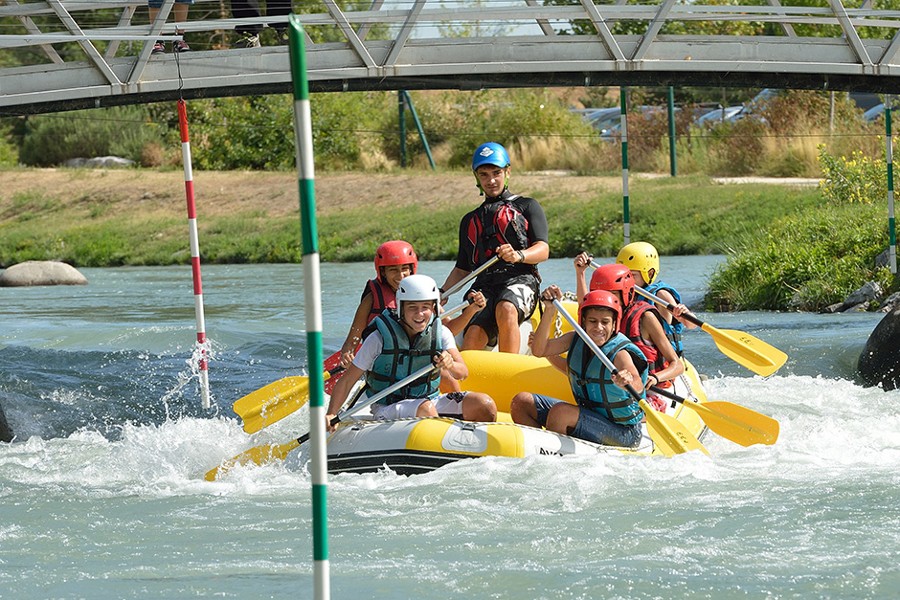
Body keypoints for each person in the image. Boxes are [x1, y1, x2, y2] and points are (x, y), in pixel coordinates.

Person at [326, 274, 496, 430]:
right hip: (387, 407)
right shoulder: (379, 338)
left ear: (434, 308)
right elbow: (348, 380)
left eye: (425, 307)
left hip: (430, 400)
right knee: (425, 409)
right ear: (401, 308)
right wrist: (332, 413)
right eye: (412, 307)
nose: (419, 314)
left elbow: (462, 373)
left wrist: (450, 364)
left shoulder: (442, 332)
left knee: (484, 404)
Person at [440, 142, 549, 353]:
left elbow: (543, 249)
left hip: (521, 279)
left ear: (507, 172)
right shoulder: (469, 220)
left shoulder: (528, 206)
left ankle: (509, 374)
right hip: (485, 285)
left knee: (506, 308)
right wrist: (443, 292)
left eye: (496, 173)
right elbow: (463, 269)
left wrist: (518, 255)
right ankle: (469, 382)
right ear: (476, 178)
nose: (491, 180)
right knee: (472, 334)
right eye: (484, 175)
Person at [510, 286, 648, 448]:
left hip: (624, 432)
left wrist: (627, 381)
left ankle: (551, 455)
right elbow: (540, 351)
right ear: (583, 321)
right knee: (521, 402)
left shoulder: (619, 353)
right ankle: (538, 449)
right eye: (592, 321)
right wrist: (549, 310)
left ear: (614, 324)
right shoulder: (576, 339)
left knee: (561, 412)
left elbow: (638, 384)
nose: (598, 327)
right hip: (590, 418)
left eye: (605, 322)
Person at [586, 263, 684, 412]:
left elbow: (677, 365)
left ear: (626, 294)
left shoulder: (646, 317)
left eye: (612, 294)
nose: (605, 300)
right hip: (616, 389)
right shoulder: (599, 322)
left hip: (652, 391)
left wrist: (655, 378)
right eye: (600, 294)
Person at [616, 241, 696, 356]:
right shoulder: (622, 294)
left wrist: (684, 312)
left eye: (632, 275)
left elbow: (691, 325)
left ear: (650, 273)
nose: (627, 280)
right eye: (624, 276)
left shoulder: (661, 295)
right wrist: (580, 273)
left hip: (662, 360)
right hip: (632, 357)